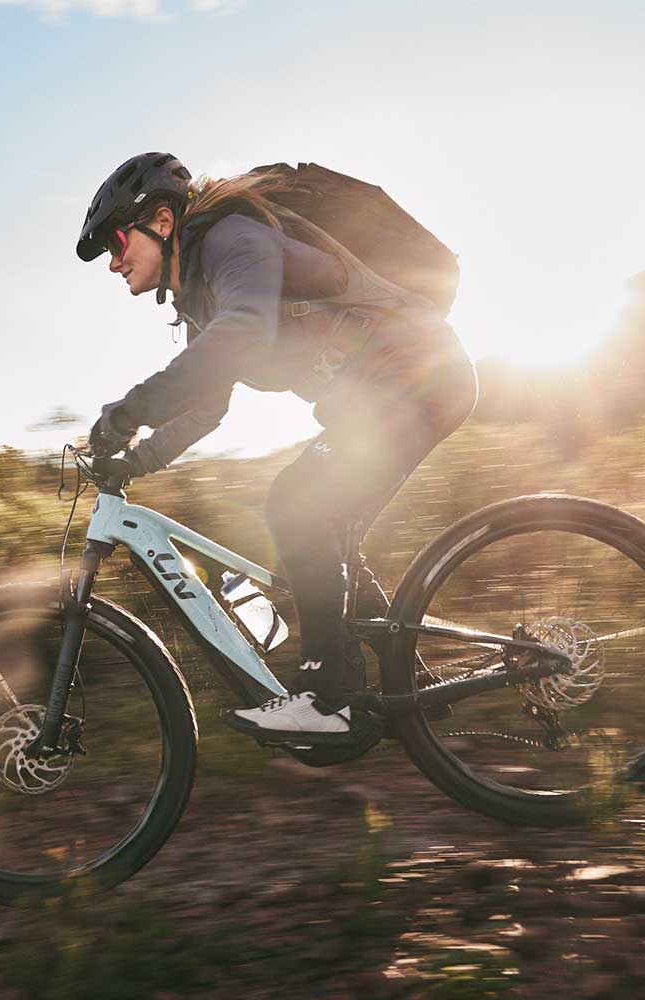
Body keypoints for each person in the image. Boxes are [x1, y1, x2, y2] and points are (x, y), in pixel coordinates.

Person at [77, 152, 478, 744]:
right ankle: (406, 686)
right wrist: (134, 461)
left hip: (415, 377)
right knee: (319, 538)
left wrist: (129, 412)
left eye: (116, 243)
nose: (113, 264)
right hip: (384, 394)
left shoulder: (234, 240)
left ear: (162, 222)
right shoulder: (200, 292)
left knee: (296, 506)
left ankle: (326, 701)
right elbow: (208, 404)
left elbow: (240, 339)